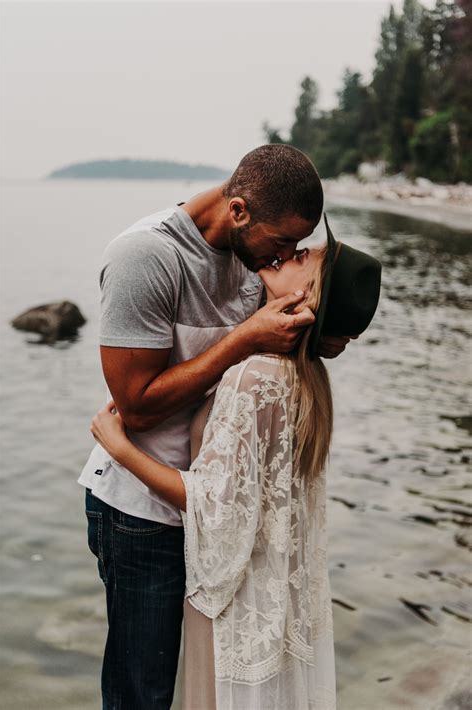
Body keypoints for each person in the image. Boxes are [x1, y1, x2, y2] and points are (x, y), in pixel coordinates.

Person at [79, 144, 351, 709]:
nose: (285, 256)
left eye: (296, 247)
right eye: (281, 244)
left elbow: (286, 341)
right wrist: (243, 338)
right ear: (240, 211)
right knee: (142, 692)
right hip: (142, 516)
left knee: (208, 683)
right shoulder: (146, 258)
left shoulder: (258, 261)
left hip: (222, 517)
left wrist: (327, 331)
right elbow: (134, 407)